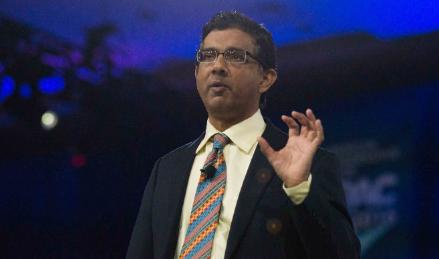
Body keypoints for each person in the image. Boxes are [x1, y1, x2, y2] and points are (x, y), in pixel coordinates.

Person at [126, 11, 360, 259]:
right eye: (208, 56)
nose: (217, 67)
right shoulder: (167, 169)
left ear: (266, 79)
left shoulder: (307, 163)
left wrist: (299, 189)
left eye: (235, 56)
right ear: (196, 74)